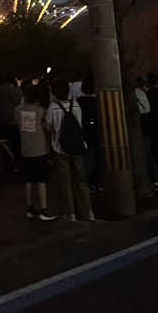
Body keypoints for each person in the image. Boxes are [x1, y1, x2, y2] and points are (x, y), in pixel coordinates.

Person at [46, 77, 94, 222]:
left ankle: (70, 213)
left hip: (60, 148)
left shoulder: (52, 108)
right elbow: (80, 125)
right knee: (80, 179)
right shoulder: (76, 106)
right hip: (78, 146)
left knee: (65, 182)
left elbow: (49, 128)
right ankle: (88, 211)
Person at [16, 83, 56, 221]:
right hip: (39, 149)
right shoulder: (40, 111)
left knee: (28, 180)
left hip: (25, 149)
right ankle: (43, 209)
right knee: (41, 180)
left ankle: (30, 208)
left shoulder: (18, 110)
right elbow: (47, 128)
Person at [135, 77, 158, 191]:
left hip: (140, 126)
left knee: (146, 152)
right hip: (145, 126)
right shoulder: (141, 92)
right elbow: (147, 109)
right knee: (147, 152)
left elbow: (146, 109)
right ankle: (153, 179)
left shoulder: (137, 93)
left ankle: (151, 178)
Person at [77, 76, 100, 189]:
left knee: (88, 159)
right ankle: (97, 181)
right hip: (98, 133)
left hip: (85, 133)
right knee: (97, 158)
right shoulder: (98, 101)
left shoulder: (79, 102)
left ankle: (88, 182)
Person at [0, 74, 22, 158]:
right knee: (13, 140)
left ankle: (6, 156)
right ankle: (14, 156)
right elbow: (16, 101)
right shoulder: (9, 89)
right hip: (11, 118)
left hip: (1, 118)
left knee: (5, 139)